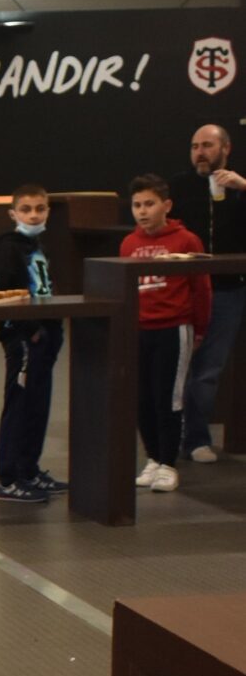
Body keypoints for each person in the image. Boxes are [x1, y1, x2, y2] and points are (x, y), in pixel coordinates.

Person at [123, 172, 210, 493]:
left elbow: (201, 289)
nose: (143, 211)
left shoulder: (186, 241)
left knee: (167, 398)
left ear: (167, 205)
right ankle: (153, 458)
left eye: (149, 204)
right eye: (137, 205)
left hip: (173, 329)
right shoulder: (129, 244)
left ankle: (169, 464)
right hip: (139, 330)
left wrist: (199, 329)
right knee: (142, 398)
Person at [0, 185, 68, 503]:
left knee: (38, 405)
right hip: (22, 338)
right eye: (26, 209)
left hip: (45, 336)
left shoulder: (39, 246)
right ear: (13, 213)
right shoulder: (7, 248)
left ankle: (29, 469)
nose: (34, 215)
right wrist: (26, 329)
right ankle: (8, 478)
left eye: (40, 208)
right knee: (19, 406)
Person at [174, 122, 246, 462]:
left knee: (208, 370)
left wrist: (243, 187)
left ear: (225, 149)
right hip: (184, 290)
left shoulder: (240, 186)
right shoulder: (179, 186)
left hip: (229, 290)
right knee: (177, 367)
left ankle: (196, 439)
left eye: (207, 145)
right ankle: (168, 438)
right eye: (195, 146)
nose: (200, 152)